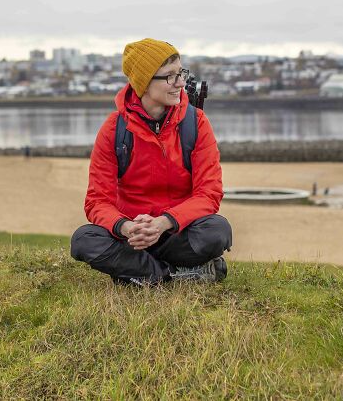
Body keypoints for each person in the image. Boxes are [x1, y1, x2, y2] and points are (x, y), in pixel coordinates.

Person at [71, 38, 232, 285]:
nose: (180, 83)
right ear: (144, 83)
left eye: (181, 73)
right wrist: (125, 227)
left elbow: (209, 193)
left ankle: (139, 273)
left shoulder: (196, 122)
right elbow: (97, 201)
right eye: (170, 76)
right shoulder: (114, 129)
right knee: (84, 239)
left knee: (217, 230)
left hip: (176, 232)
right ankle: (170, 276)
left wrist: (164, 222)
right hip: (132, 237)